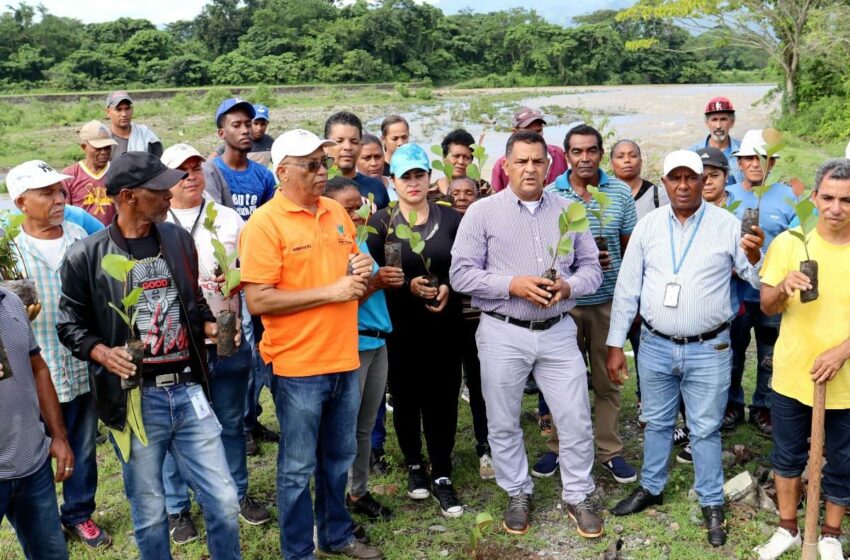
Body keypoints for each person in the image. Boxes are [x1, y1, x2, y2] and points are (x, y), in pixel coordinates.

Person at [56, 152, 242, 560]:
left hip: (189, 390)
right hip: (136, 400)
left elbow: (194, 305)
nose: (170, 194)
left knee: (226, 501)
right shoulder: (87, 255)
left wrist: (211, 327)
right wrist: (102, 352)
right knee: (151, 513)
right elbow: (69, 325)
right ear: (129, 196)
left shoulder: (177, 240)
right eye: (159, 189)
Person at [606, 149, 764, 547]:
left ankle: (711, 501)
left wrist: (755, 254)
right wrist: (614, 344)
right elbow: (627, 288)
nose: (682, 185)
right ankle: (651, 487)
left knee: (705, 428)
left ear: (704, 181)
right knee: (657, 422)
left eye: (690, 177)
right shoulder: (647, 227)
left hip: (709, 347)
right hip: (655, 345)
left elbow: (757, 279)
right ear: (665, 183)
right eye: (674, 177)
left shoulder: (727, 225)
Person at [451, 130, 604, 538]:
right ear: (506, 166)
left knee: (574, 416)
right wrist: (511, 284)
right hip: (503, 331)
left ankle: (578, 492)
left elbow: (592, 267)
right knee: (502, 419)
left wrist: (569, 286)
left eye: (538, 161)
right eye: (521, 161)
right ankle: (518, 490)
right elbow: (460, 273)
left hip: (556, 330)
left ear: (550, 165)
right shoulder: (483, 212)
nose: (530, 169)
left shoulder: (569, 211)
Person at [239, 128, 382, 560]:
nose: (323, 171)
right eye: (312, 165)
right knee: (297, 468)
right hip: (298, 366)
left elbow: (354, 273)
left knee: (338, 458)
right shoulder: (264, 224)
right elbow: (258, 298)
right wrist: (333, 291)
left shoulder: (336, 210)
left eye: (322, 163)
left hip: (343, 357)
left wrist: (360, 266)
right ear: (282, 172)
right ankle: (298, 550)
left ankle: (336, 536)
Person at [159, 143, 271, 545]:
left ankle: (237, 494)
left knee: (229, 422)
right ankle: (178, 509)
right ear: (166, 180)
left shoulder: (227, 219)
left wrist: (236, 295)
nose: (191, 176)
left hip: (226, 339)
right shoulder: (156, 222)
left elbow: (246, 273)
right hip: (177, 346)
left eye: (195, 168)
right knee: (174, 428)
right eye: (181, 171)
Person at [5, 161, 108, 549]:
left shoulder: (80, 237)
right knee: (37, 451)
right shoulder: (10, 254)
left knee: (81, 443)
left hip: (80, 365)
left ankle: (79, 513)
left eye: (59, 191)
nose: (58, 199)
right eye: (45, 193)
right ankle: (44, 521)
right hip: (33, 370)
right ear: (20, 202)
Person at [753, 158, 850, 560]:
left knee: (842, 460)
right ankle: (788, 528)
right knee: (787, 455)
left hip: (845, 379)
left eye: (846, 200)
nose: (836, 208)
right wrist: (784, 289)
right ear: (814, 197)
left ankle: (829, 534)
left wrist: (843, 351)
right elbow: (767, 306)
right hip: (793, 373)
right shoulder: (791, 243)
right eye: (827, 198)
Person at [535, 125, 638, 484]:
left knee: (609, 380)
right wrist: (583, 264)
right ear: (566, 155)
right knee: (561, 381)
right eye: (576, 152)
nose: (584, 158)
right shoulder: (551, 195)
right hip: (565, 303)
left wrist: (622, 285)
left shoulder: (620, 194)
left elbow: (630, 251)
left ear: (600, 153)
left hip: (607, 302)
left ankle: (609, 450)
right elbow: (546, 252)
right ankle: (557, 446)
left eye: (591, 151)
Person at [366, 143, 465, 517]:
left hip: (444, 321)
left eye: (419, 175)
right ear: (392, 181)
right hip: (400, 325)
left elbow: (467, 265)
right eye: (405, 176)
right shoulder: (381, 224)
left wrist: (448, 286)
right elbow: (371, 274)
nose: (413, 183)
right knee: (406, 397)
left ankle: (441, 471)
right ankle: (413, 465)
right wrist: (405, 284)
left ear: (429, 178)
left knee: (443, 396)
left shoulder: (452, 219)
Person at [323, 176, 400, 522]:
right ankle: (335, 500)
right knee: (345, 427)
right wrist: (376, 283)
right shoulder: (330, 248)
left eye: (360, 207)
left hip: (378, 340)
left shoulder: (358, 241)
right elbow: (342, 301)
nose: (357, 214)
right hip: (354, 343)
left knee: (365, 426)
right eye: (349, 208)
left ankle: (358, 492)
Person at [723, 129, 797, 436]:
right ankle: (732, 403)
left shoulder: (788, 197)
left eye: (763, 158)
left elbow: (797, 241)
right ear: (739, 163)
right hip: (736, 293)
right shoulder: (728, 196)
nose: (756, 164)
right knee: (733, 352)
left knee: (770, 355)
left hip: (772, 293)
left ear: (773, 162)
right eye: (750, 158)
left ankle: (764, 406)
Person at [0, 284, 74, 560]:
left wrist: (59, 436)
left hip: (33, 465)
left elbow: (38, 368)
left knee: (52, 554)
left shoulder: (10, 302)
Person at [449, 176, 495, 480]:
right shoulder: (443, 227)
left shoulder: (486, 224)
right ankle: (446, 447)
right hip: (450, 323)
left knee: (481, 388)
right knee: (447, 387)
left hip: (481, 321)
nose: (463, 197)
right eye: (456, 193)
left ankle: (486, 448)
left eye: (469, 192)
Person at [203, 98, 277, 219]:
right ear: (222, 133)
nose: (245, 131)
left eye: (248, 125)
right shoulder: (210, 173)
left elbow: (271, 219)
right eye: (236, 125)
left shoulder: (265, 176)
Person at [490, 107, 568, 193]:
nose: (534, 136)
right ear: (514, 132)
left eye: (538, 131)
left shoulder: (558, 154)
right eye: (528, 132)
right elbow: (497, 198)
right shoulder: (501, 164)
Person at [325, 112, 390, 209]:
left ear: (360, 145)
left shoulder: (377, 187)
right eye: (339, 141)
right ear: (325, 146)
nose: (347, 147)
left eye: (354, 141)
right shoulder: (317, 186)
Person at [62, 120, 118, 226]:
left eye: (107, 148)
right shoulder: (70, 175)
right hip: (83, 237)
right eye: (98, 148)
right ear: (84, 147)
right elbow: (66, 212)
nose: (104, 152)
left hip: (112, 236)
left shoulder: (118, 171)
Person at [688, 96, 742, 185]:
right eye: (714, 120)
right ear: (707, 123)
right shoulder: (693, 154)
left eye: (723, 119)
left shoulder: (744, 152)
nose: (718, 126)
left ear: (732, 122)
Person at [610, 139, 669, 220]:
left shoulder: (658, 196)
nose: (627, 160)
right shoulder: (601, 196)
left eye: (633, 156)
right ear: (612, 164)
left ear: (641, 162)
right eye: (620, 157)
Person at [432, 129, 491, 200]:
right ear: (444, 158)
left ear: (472, 160)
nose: (461, 162)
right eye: (456, 156)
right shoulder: (429, 192)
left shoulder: (482, 188)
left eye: (466, 157)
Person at [105, 90, 163, 160]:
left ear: (132, 109)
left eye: (127, 109)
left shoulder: (145, 136)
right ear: (108, 112)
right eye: (118, 109)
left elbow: (158, 165)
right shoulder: (103, 139)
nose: (124, 114)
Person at [358, 133, 395, 198]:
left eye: (378, 157)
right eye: (367, 158)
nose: (374, 163)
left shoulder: (396, 186)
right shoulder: (351, 191)